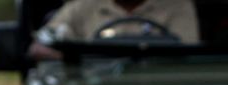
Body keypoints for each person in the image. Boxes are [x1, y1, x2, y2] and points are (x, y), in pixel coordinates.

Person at [29, 0, 200, 59]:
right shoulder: (83, 7)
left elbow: (187, 55)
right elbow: (41, 46)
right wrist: (70, 56)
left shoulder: (177, 5)